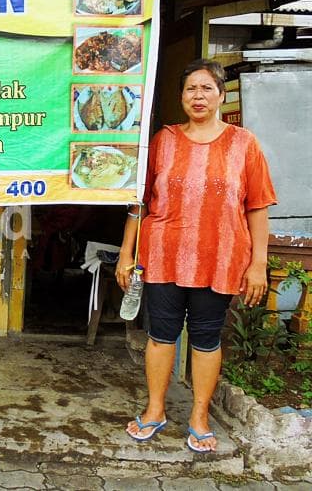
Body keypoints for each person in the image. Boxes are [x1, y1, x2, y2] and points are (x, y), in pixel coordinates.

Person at [115, 59, 277, 453]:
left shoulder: (244, 144)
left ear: (222, 94)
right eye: (191, 89)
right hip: (164, 255)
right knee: (160, 335)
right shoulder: (163, 141)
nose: (198, 96)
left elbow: (257, 207)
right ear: (181, 96)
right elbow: (140, 201)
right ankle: (155, 410)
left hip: (220, 259)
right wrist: (125, 253)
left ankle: (199, 416)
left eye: (207, 88)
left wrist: (258, 265)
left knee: (206, 339)